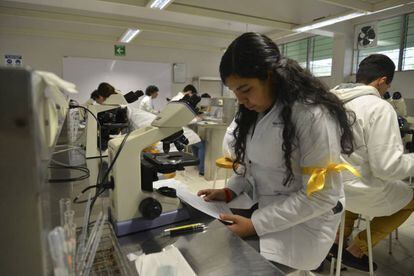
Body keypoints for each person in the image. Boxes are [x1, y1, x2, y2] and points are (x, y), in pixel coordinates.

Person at [197, 32, 356, 270]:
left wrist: (255, 224)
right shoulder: (255, 110)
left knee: (228, 265)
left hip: (304, 225)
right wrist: (230, 191)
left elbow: (322, 196)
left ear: (270, 75)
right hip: (266, 209)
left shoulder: (311, 114)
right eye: (235, 92)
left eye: (245, 89)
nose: (241, 100)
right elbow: (249, 166)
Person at [330, 54, 414, 272]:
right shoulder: (379, 107)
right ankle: (358, 249)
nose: (386, 91)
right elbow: (388, 168)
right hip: (363, 193)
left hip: (333, 191)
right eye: (387, 86)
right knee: (412, 197)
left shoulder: (332, 102)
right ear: (382, 80)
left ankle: (338, 239)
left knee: (355, 179)